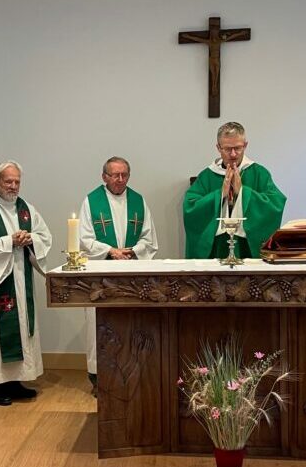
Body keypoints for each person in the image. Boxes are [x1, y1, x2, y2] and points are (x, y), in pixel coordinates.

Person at [0, 161, 52, 406]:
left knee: (23, 328)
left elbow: (44, 235)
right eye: (8, 181)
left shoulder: (26, 209)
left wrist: (30, 238)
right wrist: (9, 242)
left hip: (20, 275)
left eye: (17, 181)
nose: (13, 186)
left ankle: (16, 382)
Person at [78, 156, 159, 395]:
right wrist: (110, 251)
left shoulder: (138, 201)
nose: (120, 179)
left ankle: (131, 373)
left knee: (131, 323)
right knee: (98, 324)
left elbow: (149, 237)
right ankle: (98, 379)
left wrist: (133, 251)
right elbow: (84, 239)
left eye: (124, 175)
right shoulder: (91, 202)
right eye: (115, 175)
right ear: (104, 176)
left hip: (131, 272)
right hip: (101, 274)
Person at [183, 121, 286, 259]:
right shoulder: (207, 176)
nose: (233, 154)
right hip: (217, 246)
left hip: (246, 246)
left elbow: (275, 203)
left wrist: (243, 192)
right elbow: (190, 207)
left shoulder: (259, 173)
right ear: (218, 147)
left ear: (245, 145)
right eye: (227, 149)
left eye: (238, 148)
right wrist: (220, 194)